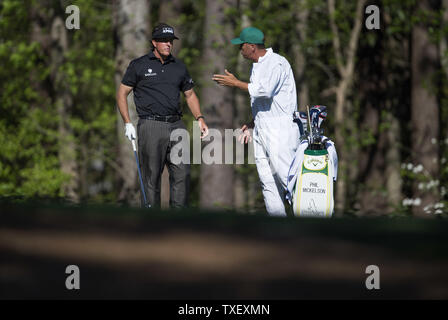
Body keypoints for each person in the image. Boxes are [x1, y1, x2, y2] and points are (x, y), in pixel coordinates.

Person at [117, 23, 209, 208]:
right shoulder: (139, 65)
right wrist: (127, 122)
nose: (168, 44)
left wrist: (200, 118)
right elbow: (121, 93)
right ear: (154, 42)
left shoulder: (179, 67)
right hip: (151, 125)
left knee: (182, 175)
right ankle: (152, 224)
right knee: (151, 178)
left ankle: (178, 223)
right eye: (164, 41)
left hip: (177, 125)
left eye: (170, 41)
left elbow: (190, 94)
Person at [212, 27, 299, 216]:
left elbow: (265, 91)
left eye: (241, 46)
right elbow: (267, 102)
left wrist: (236, 83)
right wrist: (253, 122)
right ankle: (278, 229)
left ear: (251, 47)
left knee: (288, 179)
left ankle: (310, 227)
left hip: (280, 130)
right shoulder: (257, 65)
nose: (239, 50)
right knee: (267, 181)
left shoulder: (277, 63)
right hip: (262, 128)